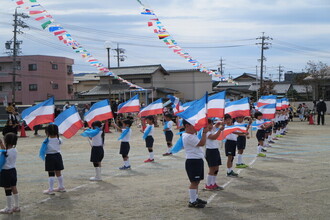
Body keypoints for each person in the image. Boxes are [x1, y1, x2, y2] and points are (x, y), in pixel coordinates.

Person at [182, 120, 208, 208]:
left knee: (197, 181)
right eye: (193, 125)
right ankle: (192, 201)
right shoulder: (188, 136)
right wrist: (204, 132)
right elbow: (201, 143)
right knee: (194, 182)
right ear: (187, 126)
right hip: (193, 161)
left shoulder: (192, 135)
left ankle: (195, 198)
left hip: (197, 160)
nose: (195, 128)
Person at [42, 124, 66, 195]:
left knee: (51, 173)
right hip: (58, 156)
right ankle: (61, 186)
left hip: (49, 157)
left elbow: (43, 149)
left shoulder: (46, 141)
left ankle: (51, 189)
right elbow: (61, 142)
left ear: (47, 132)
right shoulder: (59, 139)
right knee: (58, 172)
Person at [0, 133, 20, 214]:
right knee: (14, 187)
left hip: (5, 172)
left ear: (6, 141)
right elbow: (5, 152)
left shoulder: (3, 153)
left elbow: (4, 153)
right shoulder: (15, 150)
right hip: (13, 171)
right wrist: (1, 144)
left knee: (7, 189)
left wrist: (1, 144)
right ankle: (17, 206)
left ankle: (9, 208)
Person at [204, 119, 224, 191]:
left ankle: (213, 183)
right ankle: (208, 184)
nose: (211, 125)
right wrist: (220, 130)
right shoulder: (206, 132)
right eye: (209, 124)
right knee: (212, 169)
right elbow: (214, 137)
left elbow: (217, 125)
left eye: (211, 124)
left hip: (215, 150)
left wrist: (220, 122)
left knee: (216, 168)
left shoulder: (212, 129)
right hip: (210, 151)